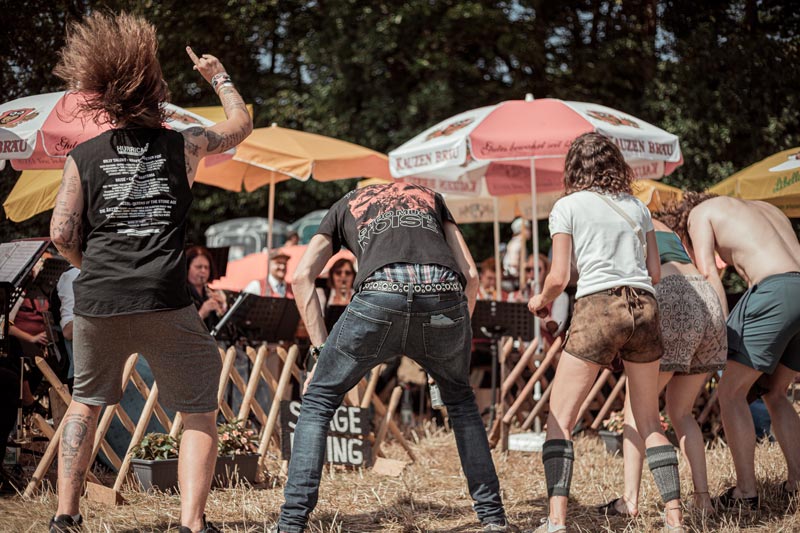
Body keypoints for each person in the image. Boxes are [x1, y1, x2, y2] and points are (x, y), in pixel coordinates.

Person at [48, 12, 252, 533]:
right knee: (198, 412)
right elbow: (241, 125)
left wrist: (90, 267)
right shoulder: (185, 144)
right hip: (165, 297)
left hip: (98, 300)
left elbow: (61, 234)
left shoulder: (84, 155)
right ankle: (191, 524)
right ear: (152, 90)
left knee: (85, 404)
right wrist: (219, 77)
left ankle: (64, 518)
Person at [272, 181, 519, 533]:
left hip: (380, 294)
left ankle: (292, 522)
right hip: (443, 293)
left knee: (318, 400)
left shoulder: (347, 203)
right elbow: (471, 276)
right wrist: (452, 341)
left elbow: (301, 278)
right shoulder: (429, 197)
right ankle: (493, 518)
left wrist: (319, 352)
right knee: (462, 402)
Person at [528, 132, 684, 533]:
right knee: (650, 420)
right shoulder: (637, 206)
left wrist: (539, 300)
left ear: (574, 168)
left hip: (599, 307)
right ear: (616, 164)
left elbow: (560, 277)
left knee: (560, 418)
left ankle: (556, 522)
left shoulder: (567, 206)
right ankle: (674, 520)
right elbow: (653, 272)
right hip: (645, 307)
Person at [661, 192, 800, 509]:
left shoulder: (699, 215)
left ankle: (746, 493)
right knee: (776, 393)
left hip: (774, 290)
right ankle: (797, 482)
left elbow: (708, 272)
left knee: (730, 393)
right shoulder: (766, 208)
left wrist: (717, 331)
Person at [598, 218, 727, 517]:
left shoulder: (618, 218)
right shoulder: (658, 222)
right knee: (682, 412)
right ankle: (703, 500)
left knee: (636, 406)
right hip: (704, 294)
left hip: (672, 292)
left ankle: (629, 501)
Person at [186, 245, 228, 331]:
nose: (203, 271)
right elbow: (182, 331)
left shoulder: (211, 293)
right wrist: (202, 312)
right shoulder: (181, 294)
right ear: (187, 268)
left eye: (206, 267)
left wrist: (223, 308)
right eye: (198, 267)